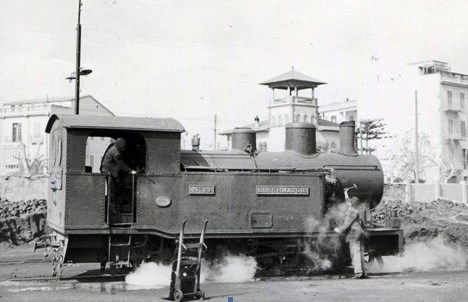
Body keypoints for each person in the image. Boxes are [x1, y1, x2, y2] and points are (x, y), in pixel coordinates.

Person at [334, 193, 369, 279]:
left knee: (355, 252)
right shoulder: (357, 210)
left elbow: (347, 223)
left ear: (352, 203)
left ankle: (359, 273)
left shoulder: (352, 211)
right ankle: (363, 272)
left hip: (354, 233)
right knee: (360, 252)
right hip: (359, 232)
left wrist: (339, 229)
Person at [100, 138, 136, 212]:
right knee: (112, 190)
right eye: (123, 147)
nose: (123, 149)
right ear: (120, 146)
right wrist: (130, 170)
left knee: (113, 189)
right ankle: (113, 210)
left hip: (109, 171)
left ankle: (114, 208)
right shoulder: (116, 153)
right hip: (108, 172)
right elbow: (121, 164)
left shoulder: (113, 147)